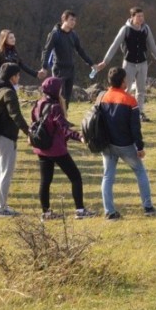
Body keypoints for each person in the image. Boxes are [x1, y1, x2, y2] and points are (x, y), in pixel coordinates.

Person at [98, 67, 156, 220]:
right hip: (125, 145)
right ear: (124, 81)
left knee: (107, 177)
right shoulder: (130, 100)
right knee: (140, 171)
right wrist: (140, 147)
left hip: (107, 144)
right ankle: (148, 207)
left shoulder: (101, 97)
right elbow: (135, 128)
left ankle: (110, 212)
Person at [31, 77, 94, 220]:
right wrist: (80, 137)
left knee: (45, 181)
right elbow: (64, 128)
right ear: (55, 90)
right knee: (75, 177)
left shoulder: (38, 103)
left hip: (42, 148)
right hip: (56, 149)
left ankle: (46, 213)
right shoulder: (55, 107)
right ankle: (80, 210)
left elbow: (33, 122)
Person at [100, 7, 156, 121]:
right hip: (129, 63)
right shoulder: (125, 29)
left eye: (142, 16)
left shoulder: (146, 29)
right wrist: (105, 61)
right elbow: (114, 45)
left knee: (141, 90)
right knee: (125, 89)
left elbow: (152, 46)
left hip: (142, 63)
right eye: (138, 16)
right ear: (132, 17)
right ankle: (123, 111)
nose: (141, 18)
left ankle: (139, 112)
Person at [0, 63, 30, 217]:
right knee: (6, 172)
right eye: (18, 75)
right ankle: (2, 208)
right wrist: (28, 131)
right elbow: (16, 115)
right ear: (12, 77)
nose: (19, 78)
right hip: (6, 137)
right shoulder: (9, 93)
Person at [39, 10, 104, 105]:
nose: (73, 22)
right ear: (64, 20)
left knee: (67, 98)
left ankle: (64, 118)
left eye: (75, 20)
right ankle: (57, 117)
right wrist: (44, 67)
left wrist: (91, 64)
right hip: (59, 69)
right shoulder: (55, 34)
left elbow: (80, 50)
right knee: (60, 95)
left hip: (70, 69)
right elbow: (46, 51)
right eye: (71, 19)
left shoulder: (73, 35)